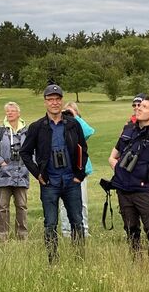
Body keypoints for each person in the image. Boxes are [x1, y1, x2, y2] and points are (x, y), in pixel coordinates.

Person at [20, 84, 89, 263]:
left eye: (57, 99)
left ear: (61, 101)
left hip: (70, 180)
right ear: (45, 102)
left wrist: (79, 175)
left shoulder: (73, 124)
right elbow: (25, 153)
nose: (54, 103)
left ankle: (79, 259)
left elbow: (83, 149)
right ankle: (53, 260)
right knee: (50, 223)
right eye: (50, 100)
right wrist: (38, 174)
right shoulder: (37, 127)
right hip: (49, 182)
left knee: (77, 221)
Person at [108, 96, 149, 255]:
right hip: (124, 190)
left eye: (144, 106)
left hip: (146, 189)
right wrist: (119, 170)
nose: (138, 108)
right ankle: (136, 261)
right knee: (131, 229)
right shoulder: (127, 130)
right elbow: (112, 156)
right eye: (138, 106)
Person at [0, 101, 30, 241]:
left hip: (22, 173)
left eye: (12, 110)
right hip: (4, 174)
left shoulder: (27, 131)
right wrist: (1, 162)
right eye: (7, 111)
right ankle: (2, 236)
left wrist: (29, 164)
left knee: (22, 206)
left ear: (19, 113)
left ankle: (22, 235)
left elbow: (33, 150)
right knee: (3, 206)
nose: (9, 113)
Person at [60, 102, 94, 237]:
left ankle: (83, 229)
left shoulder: (78, 126)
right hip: (64, 168)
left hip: (80, 167)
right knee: (64, 202)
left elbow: (89, 132)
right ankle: (66, 230)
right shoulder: (61, 125)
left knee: (82, 201)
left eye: (71, 112)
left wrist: (76, 117)